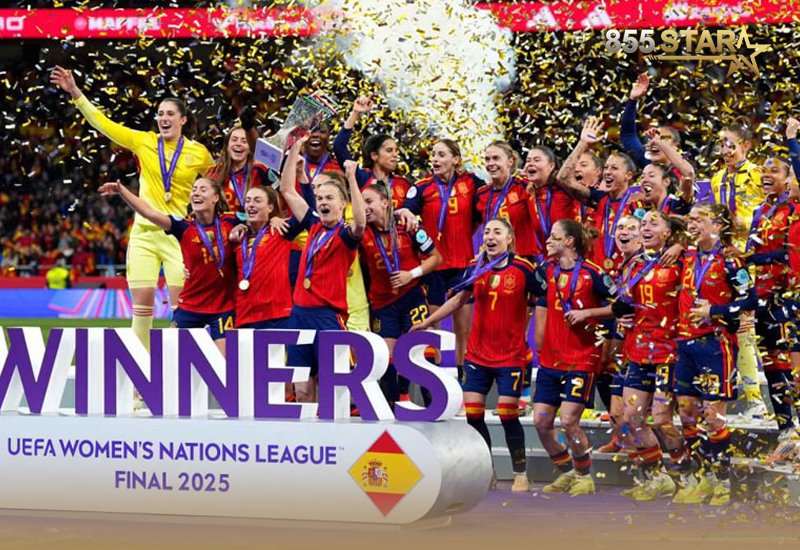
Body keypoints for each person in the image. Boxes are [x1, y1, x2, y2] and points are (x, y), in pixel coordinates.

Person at [50, 66, 215, 351]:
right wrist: (75, 92)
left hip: (180, 235)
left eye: (170, 114)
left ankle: (179, 365)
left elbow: (217, 186)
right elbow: (103, 124)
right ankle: (140, 368)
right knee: (142, 305)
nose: (164, 118)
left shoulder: (199, 153)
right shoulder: (144, 141)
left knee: (183, 305)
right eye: (160, 114)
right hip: (144, 235)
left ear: (183, 120)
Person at [414, 218, 546, 492]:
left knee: (507, 415)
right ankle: (488, 471)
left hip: (511, 356)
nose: (490, 236)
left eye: (497, 232)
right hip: (477, 356)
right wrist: (428, 321)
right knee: (473, 416)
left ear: (509, 239)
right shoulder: (476, 268)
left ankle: (520, 473)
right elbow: (458, 299)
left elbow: (544, 298)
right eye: (486, 232)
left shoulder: (524, 268)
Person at [673, 203, 756, 505]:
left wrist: (714, 311)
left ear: (718, 226)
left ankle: (722, 482)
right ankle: (704, 478)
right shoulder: (686, 255)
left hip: (714, 345)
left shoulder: (731, 261)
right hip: (684, 344)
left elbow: (751, 300)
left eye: (699, 219)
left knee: (713, 416)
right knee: (686, 414)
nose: (692, 223)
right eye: (690, 219)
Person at [98, 178, 237, 352]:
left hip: (223, 308)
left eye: (203, 189)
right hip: (190, 306)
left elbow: (258, 220)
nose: (196, 193)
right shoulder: (183, 226)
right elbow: (149, 213)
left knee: (223, 363)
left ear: (216, 197)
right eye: (194, 189)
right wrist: (122, 191)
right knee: (170, 358)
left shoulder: (232, 222)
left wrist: (247, 228)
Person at [534, 219, 617, 496]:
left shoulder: (594, 274)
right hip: (550, 361)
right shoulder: (545, 270)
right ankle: (566, 471)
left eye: (553, 236)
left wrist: (588, 313)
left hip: (581, 360)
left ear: (569, 241)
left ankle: (584, 476)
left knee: (569, 421)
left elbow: (621, 306)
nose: (548, 241)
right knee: (541, 423)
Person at [279, 136, 365, 403]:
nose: (323, 202)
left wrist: (351, 179)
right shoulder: (313, 225)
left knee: (331, 389)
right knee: (302, 389)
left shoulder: (345, 236)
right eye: (319, 198)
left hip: (327, 317)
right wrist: (295, 148)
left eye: (329, 198)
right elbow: (287, 190)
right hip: (299, 315)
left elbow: (361, 223)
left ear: (342, 205)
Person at [613, 211, 686, 501]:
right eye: (643, 223)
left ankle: (687, 476)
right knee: (631, 418)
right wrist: (623, 316)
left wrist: (681, 244)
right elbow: (626, 303)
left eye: (653, 223)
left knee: (662, 419)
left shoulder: (680, 261)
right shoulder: (633, 264)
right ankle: (659, 479)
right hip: (638, 350)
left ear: (667, 232)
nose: (645, 227)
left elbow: (708, 244)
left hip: (668, 351)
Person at [396, 139, 483, 379]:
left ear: (456, 159)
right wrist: (405, 211)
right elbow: (406, 209)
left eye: (441, 154)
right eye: (433, 154)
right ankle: (434, 383)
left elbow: (484, 209)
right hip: (433, 267)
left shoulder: (472, 183)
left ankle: (464, 382)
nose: (435, 159)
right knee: (432, 328)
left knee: (462, 330)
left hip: (462, 266)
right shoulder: (422, 187)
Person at [360, 182, 442, 406]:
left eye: (369, 201)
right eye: (361, 202)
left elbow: (436, 258)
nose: (364, 207)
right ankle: (392, 409)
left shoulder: (408, 226)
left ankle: (434, 406)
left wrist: (411, 274)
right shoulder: (361, 232)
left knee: (421, 350)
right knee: (387, 361)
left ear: (385, 203)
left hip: (411, 296)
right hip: (382, 304)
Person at [734, 157, 797, 436]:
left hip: (787, 296)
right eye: (764, 170)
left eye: (775, 171)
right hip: (763, 297)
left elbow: (789, 254)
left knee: (791, 363)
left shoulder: (793, 209)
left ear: (789, 179)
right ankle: (785, 427)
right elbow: (752, 254)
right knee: (772, 362)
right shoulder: (760, 210)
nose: (766, 175)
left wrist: (751, 257)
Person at [710, 119, 767, 421]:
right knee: (732, 327)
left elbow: (769, 217)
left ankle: (756, 401)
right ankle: (738, 397)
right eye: (721, 143)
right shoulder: (717, 178)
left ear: (745, 145)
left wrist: (749, 246)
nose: (724, 149)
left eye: (729, 143)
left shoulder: (758, 174)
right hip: (726, 262)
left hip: (753, 262)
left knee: (749, 328)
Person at [596, 214, 643, 453]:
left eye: (631, 228)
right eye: (620, 227)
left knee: (635, 414)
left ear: (642, 236)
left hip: (645, 342)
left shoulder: (646, 264)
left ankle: (639, 451)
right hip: (622, 333)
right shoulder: (620, 265)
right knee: (615, 409)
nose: (623, 231)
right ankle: (620, 439)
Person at [234, 186, 301, 329]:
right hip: (245, 316)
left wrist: (301, 178)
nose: (251, 205)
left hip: (277, 316)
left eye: (257, 201)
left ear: (270, 207)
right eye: (248, 201)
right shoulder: (238, 238)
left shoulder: (280, 231)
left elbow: (306, 214)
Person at [332, 96, 412, 206]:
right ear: (374, 156)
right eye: (389, 150)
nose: (395, 155)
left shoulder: (403, 184)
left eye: (396, 151)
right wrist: (355, 113)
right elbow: (339, 147)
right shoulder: (361, 177)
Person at [475, 141, 538, 259]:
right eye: (487, 159)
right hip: (494, 258)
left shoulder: (524, 186)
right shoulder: (482, 193)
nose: (491, 163)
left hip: (523, 258)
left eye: (496, 158)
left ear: (510, 161)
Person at [206, 125, 273, 219]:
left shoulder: (260, 171)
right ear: (227, 145)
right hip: (220, 226)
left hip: (253, 226)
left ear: (251, 148)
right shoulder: (213, 172)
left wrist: (275, 218)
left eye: (244, 141)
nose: (238, 144)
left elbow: (277, 200)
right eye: (234, 140)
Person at [621, 73, 685, 169]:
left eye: (662, 138)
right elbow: (628, 135)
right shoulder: (646, 162)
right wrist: (632, 99)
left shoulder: (685, 172)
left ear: (676, 146)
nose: (656, 142)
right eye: (653, 138)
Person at [524, 145, 579, 255]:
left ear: (551, 166)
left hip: (571, 256)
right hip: (544, 259)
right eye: (528, 160)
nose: (530, 163)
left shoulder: (564, 188)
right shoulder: (527, 193)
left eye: (537, 160)